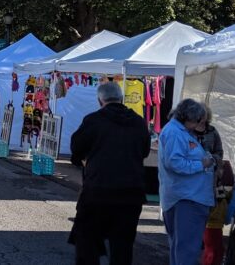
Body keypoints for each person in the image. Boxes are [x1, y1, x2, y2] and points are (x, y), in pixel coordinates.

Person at [68, 82, 151, 265]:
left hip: (98, 190)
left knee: (87, 241)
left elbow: (76, 148)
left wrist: (84, 159)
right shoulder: (138, 122)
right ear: (121, 98)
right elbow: (144, 151)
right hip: (131, 192)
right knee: (122, 246)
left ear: (100, 100)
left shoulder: (94, 120)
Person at [158, 99, 215, 265]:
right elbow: (174, 163)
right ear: (190, 118)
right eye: (199, 121)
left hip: (183, 196)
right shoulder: (175, 133)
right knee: (187, 249)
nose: (199, 125)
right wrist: (202, 164)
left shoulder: (177, 131)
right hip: (187, 198)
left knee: (181, 247)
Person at [194, 106, 225, 265]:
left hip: (210, 181)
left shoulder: (212, 131)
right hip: (191, 181)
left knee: (209, 222)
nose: (203, 118)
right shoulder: (187, 131)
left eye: (205, 115)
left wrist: (212, 160)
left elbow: (220, 152)